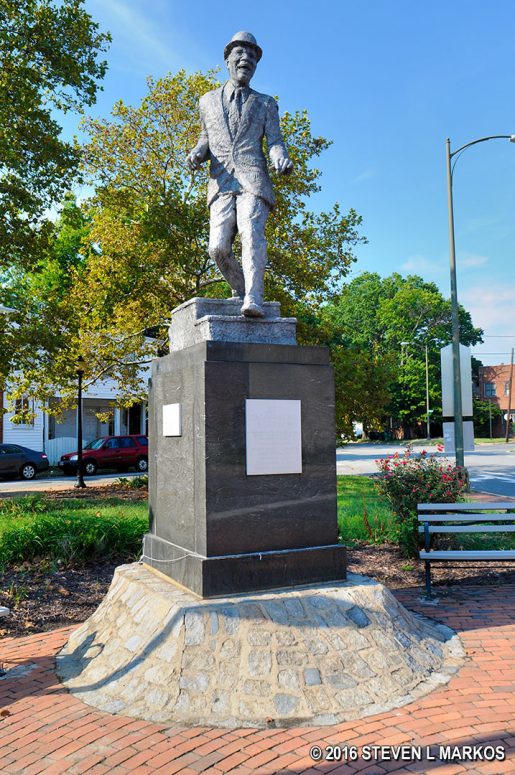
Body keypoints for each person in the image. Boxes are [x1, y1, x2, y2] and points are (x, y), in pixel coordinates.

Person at [187, 31, 293, 318]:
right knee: (217, 248)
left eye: (252, 57)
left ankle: (253, 298)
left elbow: (275, 141)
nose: (246, 59)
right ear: (228, 60)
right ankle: (244, 287)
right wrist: (198, 152)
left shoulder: (266, 103)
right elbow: (205, 136)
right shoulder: (206, 101)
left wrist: (280, 158)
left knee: (251, 234)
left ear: (256, 66)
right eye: (240, 54)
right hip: (220, 181)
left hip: (252, 180)